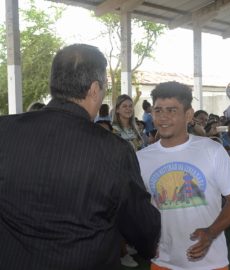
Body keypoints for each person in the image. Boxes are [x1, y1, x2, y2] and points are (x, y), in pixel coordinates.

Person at [0, 44, 160, 270]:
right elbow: (141, 225)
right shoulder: (114, 150)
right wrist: (148, 245)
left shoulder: (4, 131)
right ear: (95, 89)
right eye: (105, 87)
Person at [137, 81, 230, 270]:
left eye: (171, 110)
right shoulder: (141, 158)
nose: (163, 117)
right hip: (162, 262)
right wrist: (145, 240)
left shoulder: (212, 150)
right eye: (158, 110)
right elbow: (139, 207)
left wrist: (211, 233)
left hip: (210, 263)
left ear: (188, 115)